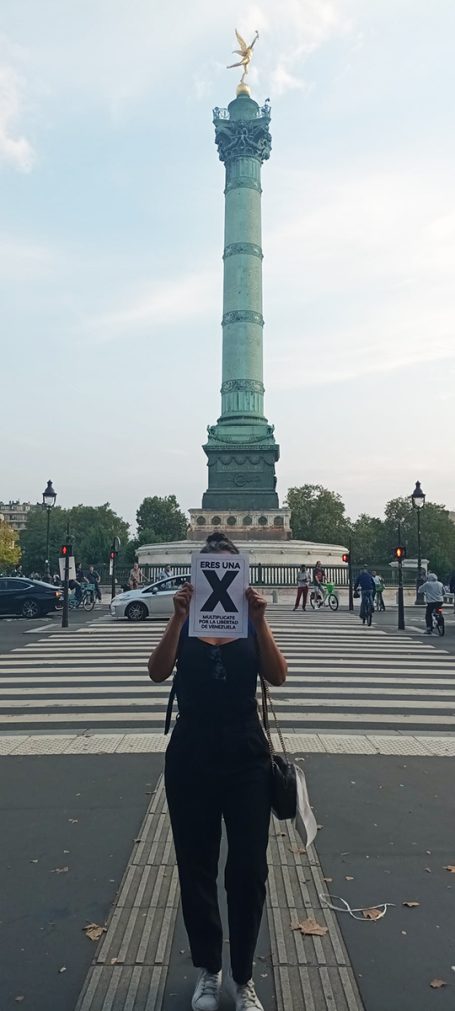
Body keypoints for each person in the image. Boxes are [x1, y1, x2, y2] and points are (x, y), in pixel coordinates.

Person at [148, 531, 287, 1011]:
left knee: (248, 871)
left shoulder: (248, 621)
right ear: (199, 572)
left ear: (239, 570)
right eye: (211, 566)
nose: (220, 573)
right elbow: (157, 671)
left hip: (246, 754)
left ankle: (242, 977)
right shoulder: (187, 620)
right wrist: (177, 618)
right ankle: (210, 969)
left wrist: (262, 620)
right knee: (196, 868)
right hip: (191, 754)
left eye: (228, 565)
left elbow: (277, 675)